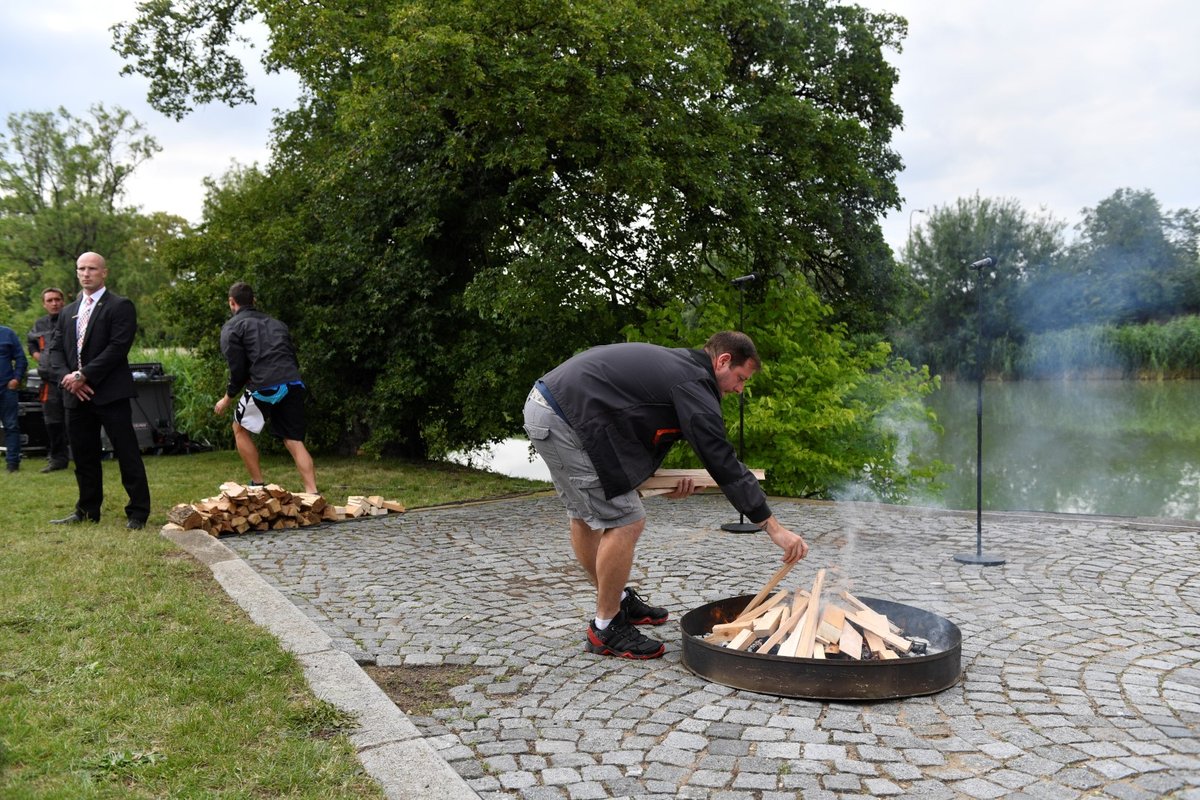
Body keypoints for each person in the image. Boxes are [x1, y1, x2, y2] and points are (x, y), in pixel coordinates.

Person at [524, 331, 809, 660]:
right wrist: (773, 527)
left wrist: (660, 485)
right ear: (723, 361)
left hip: (552, 406)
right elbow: (720, 458)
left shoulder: (682, 370)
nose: (739, 389)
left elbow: (634, 429)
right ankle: (606, 627)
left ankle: (614, 599)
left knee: (585, 516)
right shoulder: (693, 383)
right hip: (567, 416)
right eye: (740, 378)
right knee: (627, 521)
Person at [49, 252, 151, 528]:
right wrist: (69, 379)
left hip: (109, 393)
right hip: (76, 395)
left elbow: (117, 348)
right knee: (83, 457)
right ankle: (87, 510)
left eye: (92, 268)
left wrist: (85, 375)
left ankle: (138, 513)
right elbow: (55, 351)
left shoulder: (120, 306)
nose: (85, 273)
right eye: (81, 269)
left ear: (104, 272)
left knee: (127, 453)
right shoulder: (68, 311)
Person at [213, 282, 318, 494]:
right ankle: (312, 492)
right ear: (254, 301)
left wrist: (227, 397)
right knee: (294, 440)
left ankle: (258, 484)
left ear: (231, 303)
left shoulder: (232, 327)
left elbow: (238, 370)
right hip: (292, 382)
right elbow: (290, 356)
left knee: (239, 428)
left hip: (264, 385)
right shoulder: (277, 324)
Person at [26, 287, 71, 471]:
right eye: (50, 300)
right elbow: (31, 343)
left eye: (57, 299)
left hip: (70, 381)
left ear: (63, 301)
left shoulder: (71, 320)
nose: (54, 303)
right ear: (44, 304)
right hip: (48, 383)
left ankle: (84, 454)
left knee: (75, 421)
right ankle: (57, 459)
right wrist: (39, 356)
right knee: (52, 422)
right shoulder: (39, 325)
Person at [1, 322, 28, 473]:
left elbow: (21, 359)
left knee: (11, 426)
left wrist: (16, 379)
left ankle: (12, 464)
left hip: (6, 388)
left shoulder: (7, 333)